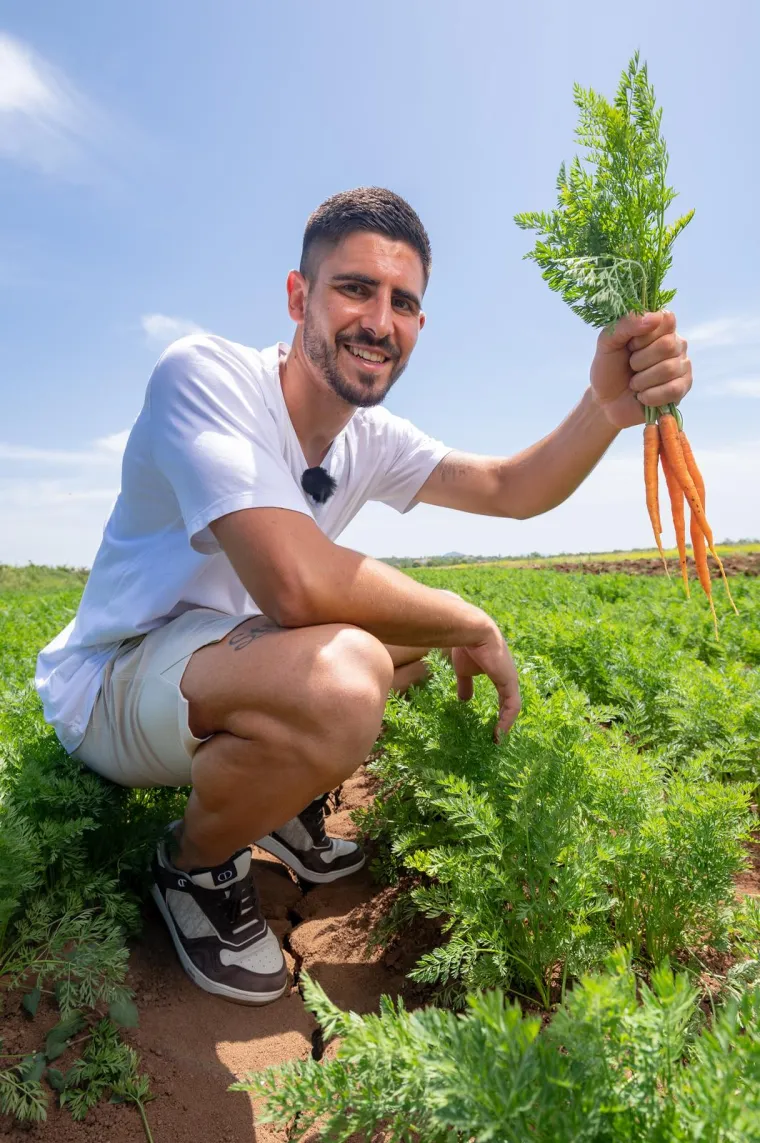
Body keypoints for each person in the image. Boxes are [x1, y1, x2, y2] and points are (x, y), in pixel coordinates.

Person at [35, 187, 693, 1006]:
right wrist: (466, 615)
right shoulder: (205, 377)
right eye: (355, 288)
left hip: (228, 665)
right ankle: (193, 864)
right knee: (349, 676)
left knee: (395, 645)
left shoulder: (367, 437)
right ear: (298, 296)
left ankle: (278, 801)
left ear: (419, 325)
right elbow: (296, 581)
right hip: (118, 682)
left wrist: (606, 406)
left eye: (404, 301)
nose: (380, 320)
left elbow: (510, 487)